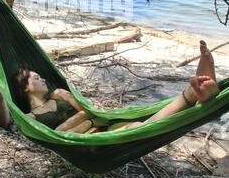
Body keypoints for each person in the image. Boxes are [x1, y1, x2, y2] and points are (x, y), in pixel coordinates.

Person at [12, 40, 220, 133]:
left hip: (102, 126)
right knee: (139, 128)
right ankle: (192, 94)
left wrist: (80, 114)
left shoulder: (58, 95)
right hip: (91, 141)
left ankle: (194, 93)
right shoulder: (30, 117)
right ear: (25, 88)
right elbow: (56, 134)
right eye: (37, 78)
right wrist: (84, 123)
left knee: (142, 122)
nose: (43, 80)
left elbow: (87, 110)